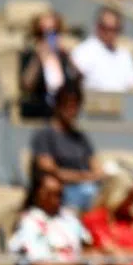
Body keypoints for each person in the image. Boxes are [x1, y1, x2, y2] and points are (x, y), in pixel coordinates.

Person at [30, 83, 103, 212]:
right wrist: (82, 176)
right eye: (67, 104)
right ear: (58, 105)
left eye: (75, 105)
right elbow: (49, 169)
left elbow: (97, 169)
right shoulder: (45, 134)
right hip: (61, 192)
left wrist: (87, 177)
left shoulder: (81, 138)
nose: (71, 109)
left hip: (88, 188)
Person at [8, 171, 92, 261]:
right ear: (37, 195)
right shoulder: (28, 221)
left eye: (58, 194)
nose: (55, 200)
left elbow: (87, 246)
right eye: (49, 194)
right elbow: (36, 263)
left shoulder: (70, 218)